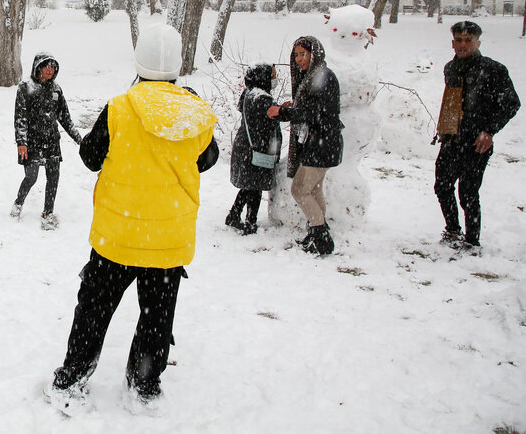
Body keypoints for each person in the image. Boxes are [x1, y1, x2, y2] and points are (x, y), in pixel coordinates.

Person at [46, 24, 219, 412]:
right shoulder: (194, 114)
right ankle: (144, 385)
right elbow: (208, 159)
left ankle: (72, 378)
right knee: (157, 315)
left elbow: (90, 157)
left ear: (138, 61)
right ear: (177, 65)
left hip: (117, 234)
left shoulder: (119, 108)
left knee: (93, 309)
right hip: (168, 239)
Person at [434, 21, 519, 251]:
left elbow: (511, 104)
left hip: (477, 142)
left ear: (477, 42)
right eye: (458, 40)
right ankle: (452, 229)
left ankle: (472, 241)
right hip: (452, 139)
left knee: (468, 191)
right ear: (453, 43)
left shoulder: (493, 69)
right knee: (442, 186)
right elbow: (452, 101)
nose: (463, 45)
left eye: (468, 40)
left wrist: (489, 130)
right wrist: (445, 127)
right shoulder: (450, 68)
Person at [267, 36, 342, 255]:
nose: (299, 59)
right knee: (314, 189)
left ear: (314, 54)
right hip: (322, 142)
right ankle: (317, 231)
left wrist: (282, 112)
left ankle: (321, 236)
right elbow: (313, 108)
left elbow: (313, 113)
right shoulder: (315, 75)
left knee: (299, 189)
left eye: (303, 54)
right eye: (297, 55)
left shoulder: (322, 76)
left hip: (322, 143)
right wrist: (294, 106)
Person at [12, 52, 81, 230]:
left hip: (51, 141)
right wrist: (22, 142)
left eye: (53, 67)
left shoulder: (56, 90)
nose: (50, 70)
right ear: (38, 67)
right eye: (47, 66)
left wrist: (79, 139)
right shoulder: (25, 87)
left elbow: (65, 118)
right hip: (32, 141)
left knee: (53, 177)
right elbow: (20, 117)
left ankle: (48, 213)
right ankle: (18, 202)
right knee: (31, 176)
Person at [226, 63, 281, 235]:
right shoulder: (262, 99)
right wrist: (286, 110)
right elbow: (274, 116)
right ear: (263, 77)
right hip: (256, 148)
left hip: (247, 147)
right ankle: (250, 222)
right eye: (272, 75)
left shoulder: (250, 93)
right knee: (255, 186)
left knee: (249, 185)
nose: (274, 78)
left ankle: (234, 215)